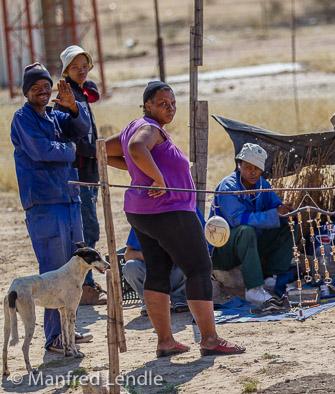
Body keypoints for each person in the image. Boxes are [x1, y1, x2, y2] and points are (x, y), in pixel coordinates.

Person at [105, 81, 244, 357]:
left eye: (172, 103)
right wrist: (157, 178)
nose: (170, 108)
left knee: (158, 270)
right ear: (147, 105)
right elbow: (134, 148)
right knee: (199, 268)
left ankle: (166, 341)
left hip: (142, 212)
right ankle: (210, 339)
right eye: (162, 103)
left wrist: (141, 172)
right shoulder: (149, 129)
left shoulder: (135, 125)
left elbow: (106, 151)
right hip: (169, 210)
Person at [10, 62, 92, 353]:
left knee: (72, 269)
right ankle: (54, 338)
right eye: (36, 87)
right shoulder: (23, 119)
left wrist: (74, 107)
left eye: (46, 86)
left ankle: (68, 331)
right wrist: (72, 151)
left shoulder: (55, 116)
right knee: (54, 270)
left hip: (69, 199)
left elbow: (82, 129)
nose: (42, 91)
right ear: (26, 91)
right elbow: (42, 151)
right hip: (45, 204)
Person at [209, 143, 294, 305]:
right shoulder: (228, 187)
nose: (253, 172)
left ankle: (272, 276)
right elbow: (237, 220)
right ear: (239, 165)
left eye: (257, 168)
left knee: (286, 226)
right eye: (248, 167)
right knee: (246, 231)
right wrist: (273, 214)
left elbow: (275, 209)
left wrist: (286, 212)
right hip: (223, 250)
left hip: (249, 245)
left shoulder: (263, 185)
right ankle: (253, 289)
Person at [54, 45, 106, 305]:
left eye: (85, 66)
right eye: (75, 67)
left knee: (88, 226)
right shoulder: (67, 96)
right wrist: (98, 150)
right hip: (79, 170)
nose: (82, 70)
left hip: (89, 169)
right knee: (87, 229)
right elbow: (71, 136)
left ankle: (85, 284)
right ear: (66, 71)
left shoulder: (84, 93)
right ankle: (85, 286)